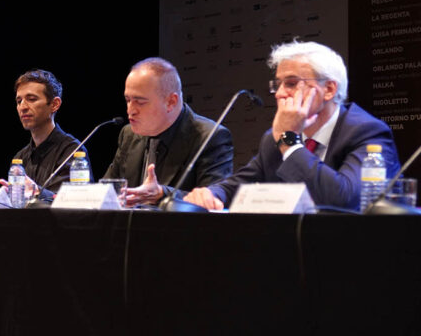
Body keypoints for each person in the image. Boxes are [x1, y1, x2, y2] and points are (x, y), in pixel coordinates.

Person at [184, 40, 400, 211]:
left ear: (329, 89)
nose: (279, 93)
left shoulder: (367, 133)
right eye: (277, 85)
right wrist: (211, 194)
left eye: (292, 83)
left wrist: (290, 141)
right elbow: (237, 185)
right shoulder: (273, 139)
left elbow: (346, 201)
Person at [103, 57, 234, 207]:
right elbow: (109, 189)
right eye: (128, 100)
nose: (130, 110)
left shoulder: (210, 137)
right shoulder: (128, 134)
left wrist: (161, 194)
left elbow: (211, 200)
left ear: (171, 102)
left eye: (140, 102)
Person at [0, 69, 90, 208]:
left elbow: (72, 204)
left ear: (54, 104)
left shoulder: (72, 151)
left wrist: (37, 193)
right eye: (19, 101)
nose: (22, 107)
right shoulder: (20, 158)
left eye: (31, 99)